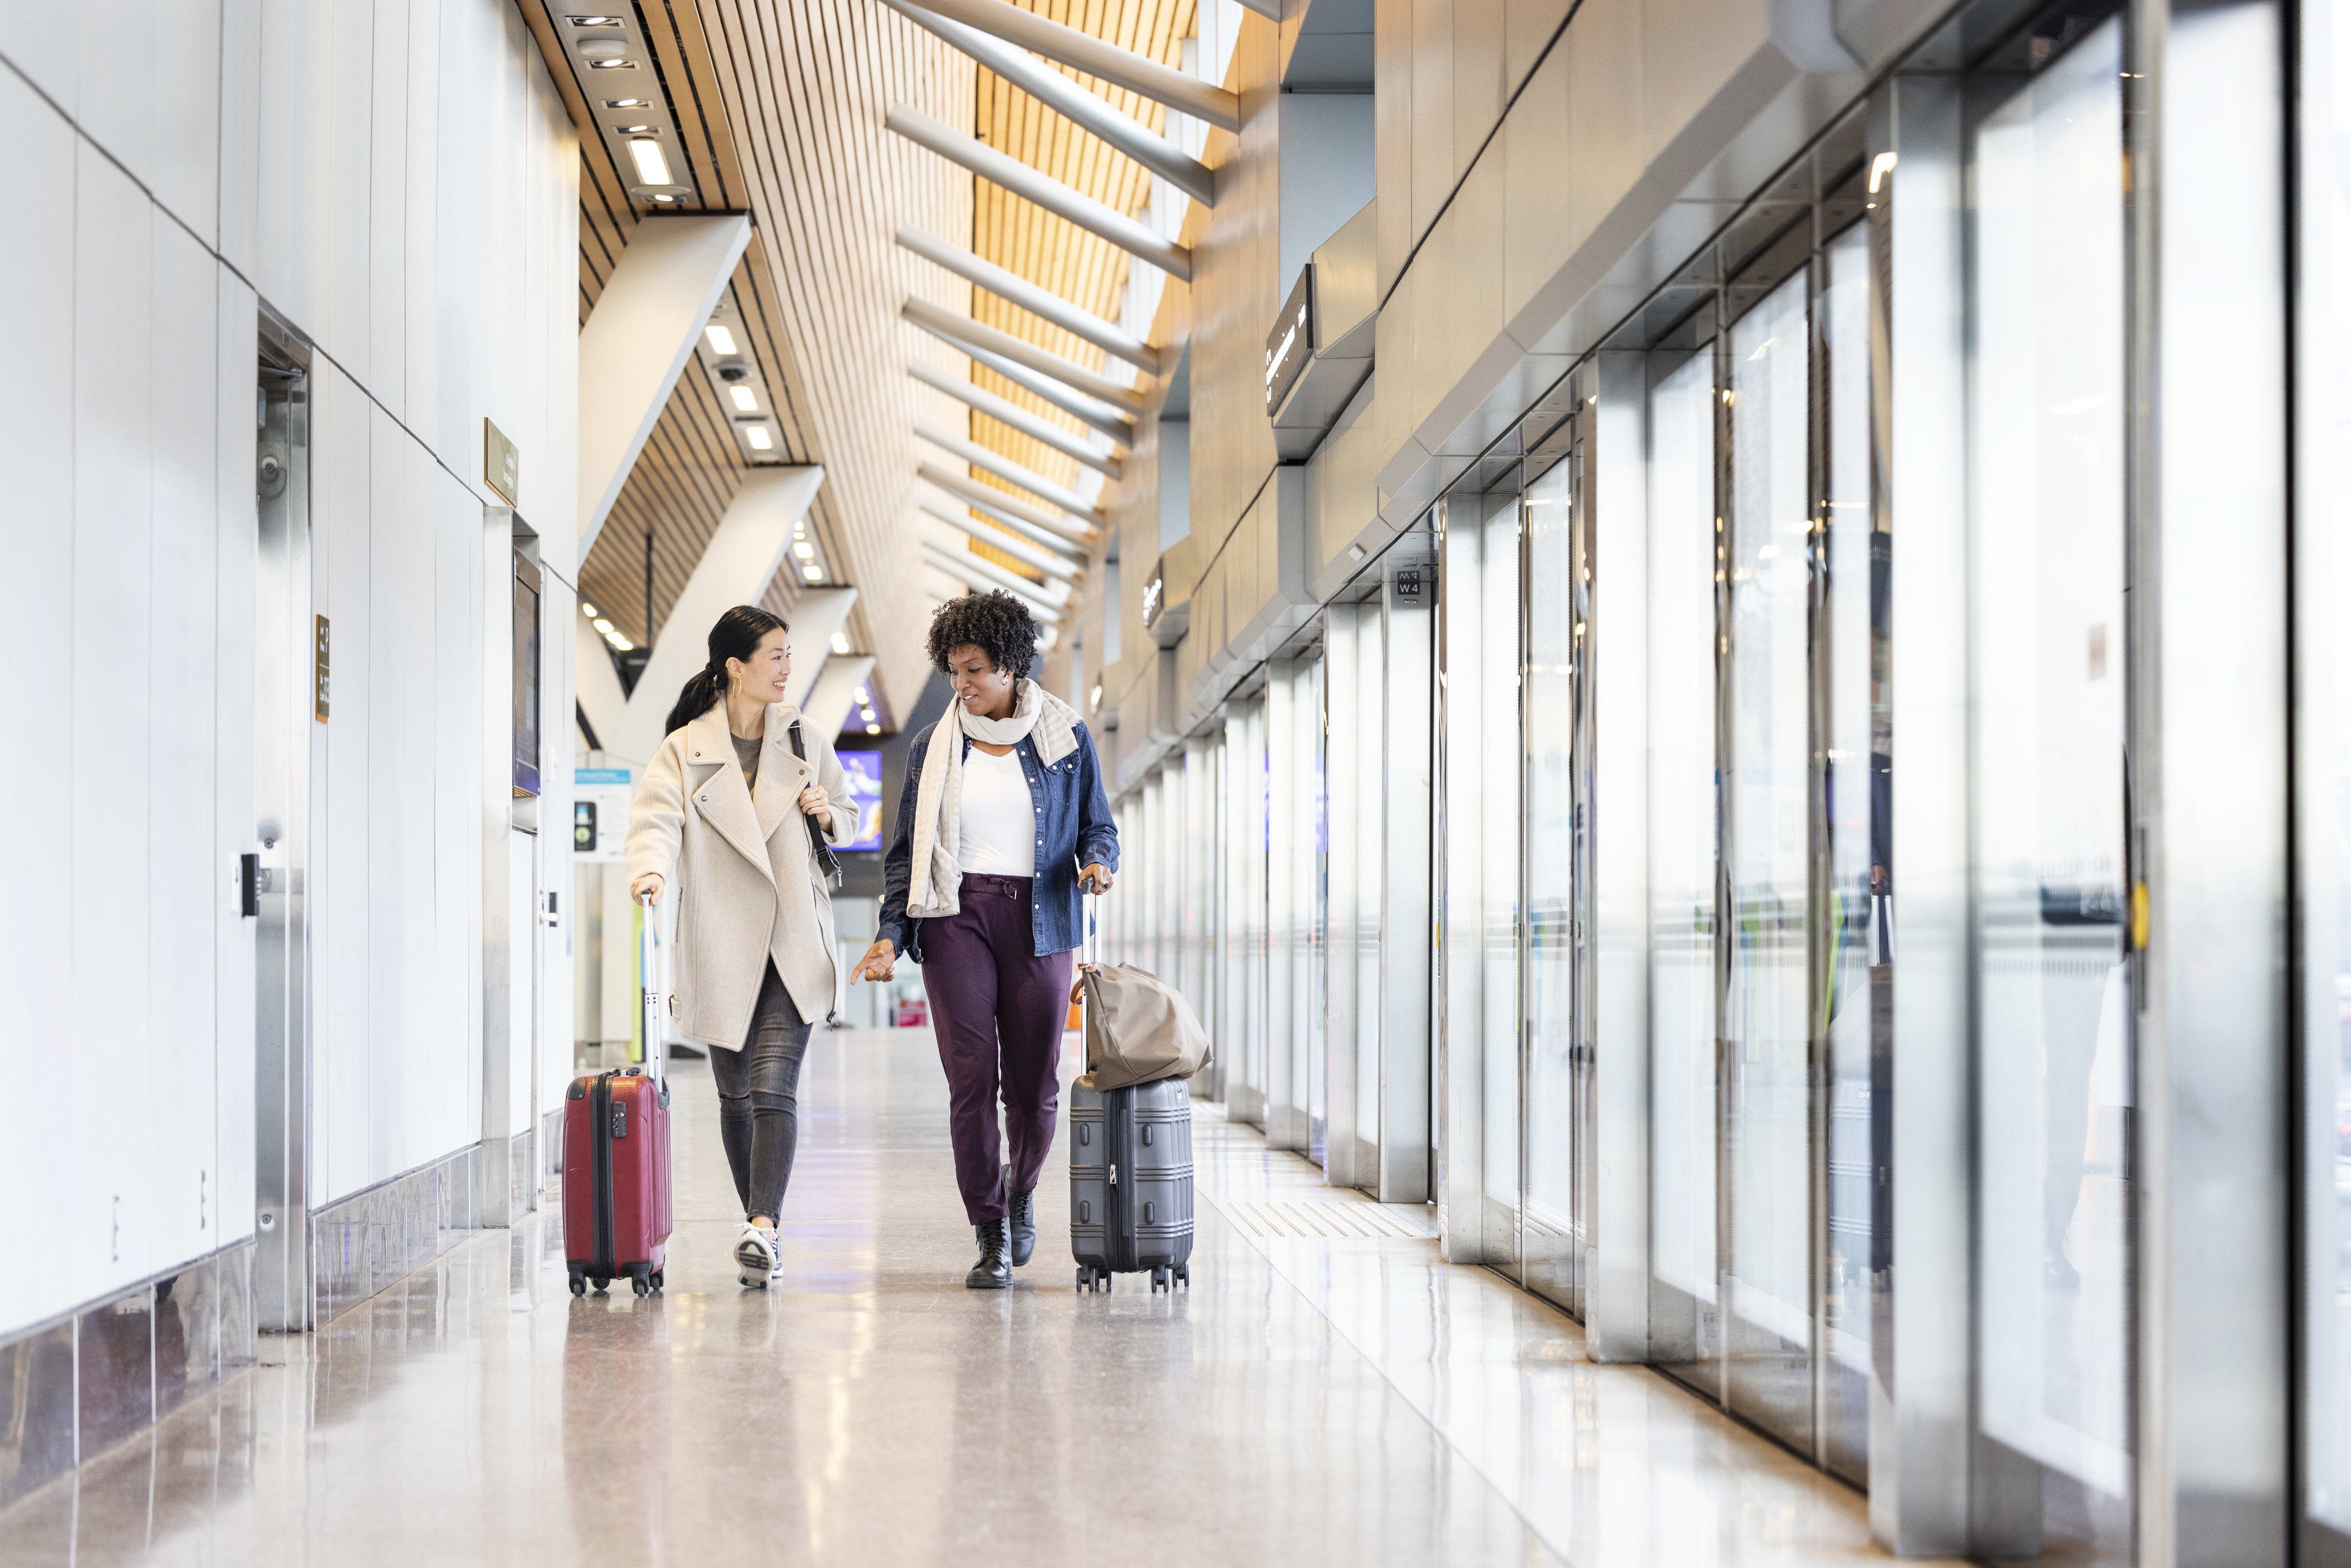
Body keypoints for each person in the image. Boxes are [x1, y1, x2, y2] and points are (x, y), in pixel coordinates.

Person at [857, 591, 1118, 1288]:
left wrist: (1099, 862)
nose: (961, 684)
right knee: (971, 1078)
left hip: (1043, 916)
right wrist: (888, 933)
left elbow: (1100, 826)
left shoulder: (1066, 734)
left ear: (1010, 665)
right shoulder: (931, 745)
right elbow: (908, 850)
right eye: (953, 670)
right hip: (956, 916)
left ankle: (1023, 1184)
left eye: (974, 669)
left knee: (1033, 1087)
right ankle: (991, 1228)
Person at [626, 605, 860, 1288]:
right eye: (777, 655)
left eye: (790, 654)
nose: (789, 667)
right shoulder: (685, 747)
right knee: (735, 1098)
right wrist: (650, 869)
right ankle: (757, 1224)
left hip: (792, 938)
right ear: (737, 665)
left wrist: (826, 812)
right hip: (721, 941)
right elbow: (656, 815)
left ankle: (764, 1227)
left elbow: (847, 815)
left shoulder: (806, 739)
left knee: (771, 1087)